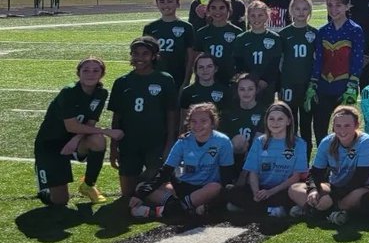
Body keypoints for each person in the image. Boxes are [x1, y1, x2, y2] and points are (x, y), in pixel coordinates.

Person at [34, 57, 121, 206]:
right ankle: (45, 189)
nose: (90, 74)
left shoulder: (101, 93)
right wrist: (107, 130)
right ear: (78, 73)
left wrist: (75, 140)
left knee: (98, 139)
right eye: (86, 70)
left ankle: (88, 185)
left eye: (95, 70)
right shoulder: (69, 91)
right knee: (60, 201)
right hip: (50, 144)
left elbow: (90, 122)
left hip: (75, 141)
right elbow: (71, 126)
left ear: (102, 74)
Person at [130, 102, 234, 219]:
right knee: (141, 187)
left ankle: (163, 211)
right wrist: (140, 195)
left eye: (203, 121)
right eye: (193, 121)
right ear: (189, 123)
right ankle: (184, 208)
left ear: (212, 123)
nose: (198, 125)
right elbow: (165, 172)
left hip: (205, 189)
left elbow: (227, 177)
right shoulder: (183, 141)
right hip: (182, 188)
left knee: (216, 188)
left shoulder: (223, 142)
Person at [109, 37, 179, 199]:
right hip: (129, 141)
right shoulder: (122, 82)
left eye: (145, 54)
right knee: (128, 193)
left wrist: (169, 143)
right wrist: (113, 147)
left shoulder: (165, 79)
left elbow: (171, 114)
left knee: (152, 186)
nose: (139, 58)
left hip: (155, 141)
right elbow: (116, 116)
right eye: (136, 53)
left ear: (154, 56)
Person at [289, 105, 369, 226]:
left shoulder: (365, 141)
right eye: (338, 126)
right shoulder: (327, 142)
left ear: (356, 125)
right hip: (334, 186)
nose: (342, 130)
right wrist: (313, 190)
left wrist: (332, 197)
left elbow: (360, 177)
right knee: (294, 188)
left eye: (347, 125)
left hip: (359, 188)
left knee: (362, 197)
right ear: (333, 126)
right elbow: (315, 173)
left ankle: (314, 210)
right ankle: (331, 212)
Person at [227, 101, 306, 217]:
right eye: (271, 119)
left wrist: (271, 192)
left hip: (282, 189)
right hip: (262, 188)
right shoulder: (260, 141)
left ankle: (258, 208)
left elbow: (296, 177)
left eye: (280, 119)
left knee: (291, 194)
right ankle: (272, 210)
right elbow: (253, 172)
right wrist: (256, 192)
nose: (275, 123)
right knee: (231, 192)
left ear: (288, 121)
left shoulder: (299, 143)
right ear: (266, 121)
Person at [305, 0, 365, 142]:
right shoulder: (323, 31)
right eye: (330, 5)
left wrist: (353, 83)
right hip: (324, 85)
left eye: (338, 5)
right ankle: (323, 155)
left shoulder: (355, 30)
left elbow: (357, 58)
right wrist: (313, 82)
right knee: (320, 125)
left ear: (347, 6)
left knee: (344, 127)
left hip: (344, 85)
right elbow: (319, 59)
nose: (333, 9)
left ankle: (344, 155)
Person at [277, 0, 318, 156]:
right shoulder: (283, 34)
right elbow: (279, 62)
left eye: (305, 8)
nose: (301, 12)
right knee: (289, 123)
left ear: (310, 11)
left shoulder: (315, 33)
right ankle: (289, 158)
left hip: (307, 86)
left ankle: (305, 160)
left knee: (306, 124)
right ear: (291, 11)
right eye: (297, 9)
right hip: (288, 84)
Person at [142, 0, 194, 88]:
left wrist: (186, 80)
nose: (166, 5)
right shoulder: (150, 27)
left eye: (170, 1)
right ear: (157, 4)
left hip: (178, 77)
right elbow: (145, 55)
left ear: (177, 4)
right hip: (155, 76)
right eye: (162, 1)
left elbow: (190, 57)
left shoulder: (186, 27)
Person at [232, 0, 283, 102]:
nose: (256, 19)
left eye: (260, 15)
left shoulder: (275, 38)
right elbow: (239, 63)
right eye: (253, 16)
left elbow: (274, 64)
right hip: (247, 85)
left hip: (267, 84)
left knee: (266, 108)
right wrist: (249, 81)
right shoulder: (241, 38)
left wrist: (264, 81)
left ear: (267, 16)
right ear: (248, 17)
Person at [189, 0, 240, 84]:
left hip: (230, 81)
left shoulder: (237, 32)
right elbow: (195, 60)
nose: (217, 11)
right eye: (213, 8)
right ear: (208, 10)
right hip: (208, 81)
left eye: (222, 8)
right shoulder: (202, 33)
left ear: (229, 9)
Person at [221, 73, 268, 164]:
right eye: (242, 89)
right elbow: (222, 140)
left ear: (256, 90)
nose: (246, 93)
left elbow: (259, 141)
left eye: (250, 89)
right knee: (238, 141)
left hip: (255, 156)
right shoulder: (229, 112)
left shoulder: (264, 112)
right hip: (232, 155)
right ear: (237, 91)